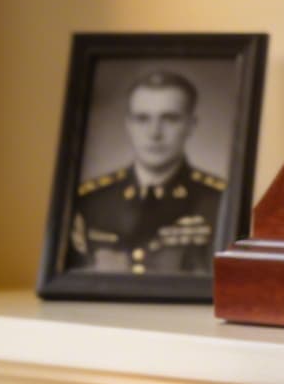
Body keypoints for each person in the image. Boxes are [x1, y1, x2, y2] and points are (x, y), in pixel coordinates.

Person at [70, 70, 228, 274]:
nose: (154, 133)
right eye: (142, 119)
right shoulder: (90, 201)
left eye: (170, 119)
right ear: (128, 124)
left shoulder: (219, 201)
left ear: (191, 125)